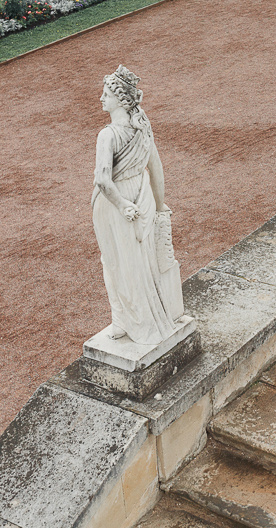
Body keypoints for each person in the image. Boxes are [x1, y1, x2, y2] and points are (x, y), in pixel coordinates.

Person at [92, 65, 183, 346]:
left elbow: (103, 181)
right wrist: (158, 204)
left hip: (116, 203)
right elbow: (156, 169)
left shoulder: (107, 135)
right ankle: (142, 316)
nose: (101, 98)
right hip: (141, 194)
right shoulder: (143, 125)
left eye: (106, 94)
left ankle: (122, 320)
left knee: (115, 263)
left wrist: (122, 206)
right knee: (143, 263)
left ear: (120, 99)